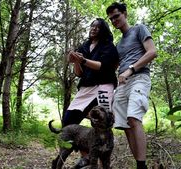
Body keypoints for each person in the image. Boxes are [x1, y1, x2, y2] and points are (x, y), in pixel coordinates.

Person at [106, 2, 157, 169]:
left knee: (134, 118)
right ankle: (139, 163)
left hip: (139, 77)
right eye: (111, 19)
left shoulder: (139, 29)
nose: (114, 21)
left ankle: (142, 166)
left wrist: (131, 69)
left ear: (125, 14)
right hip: (122, 84)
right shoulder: (118, 44)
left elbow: (152, 52)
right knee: (125, 125)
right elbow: (111, 65)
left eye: (116, 16)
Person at [63, 18, 119, 168]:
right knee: (68, 121)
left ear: (104, 30)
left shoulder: (109, 47)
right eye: (92, 26)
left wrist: (82, 60)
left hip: (103, 86)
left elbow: (102, 66)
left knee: (104, 121)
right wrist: (75, 61)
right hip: (86, 87)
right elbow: (79, 73)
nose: (93, 29)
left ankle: (104, 157)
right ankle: (86, 158)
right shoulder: (85, 46)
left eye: (98, 27)